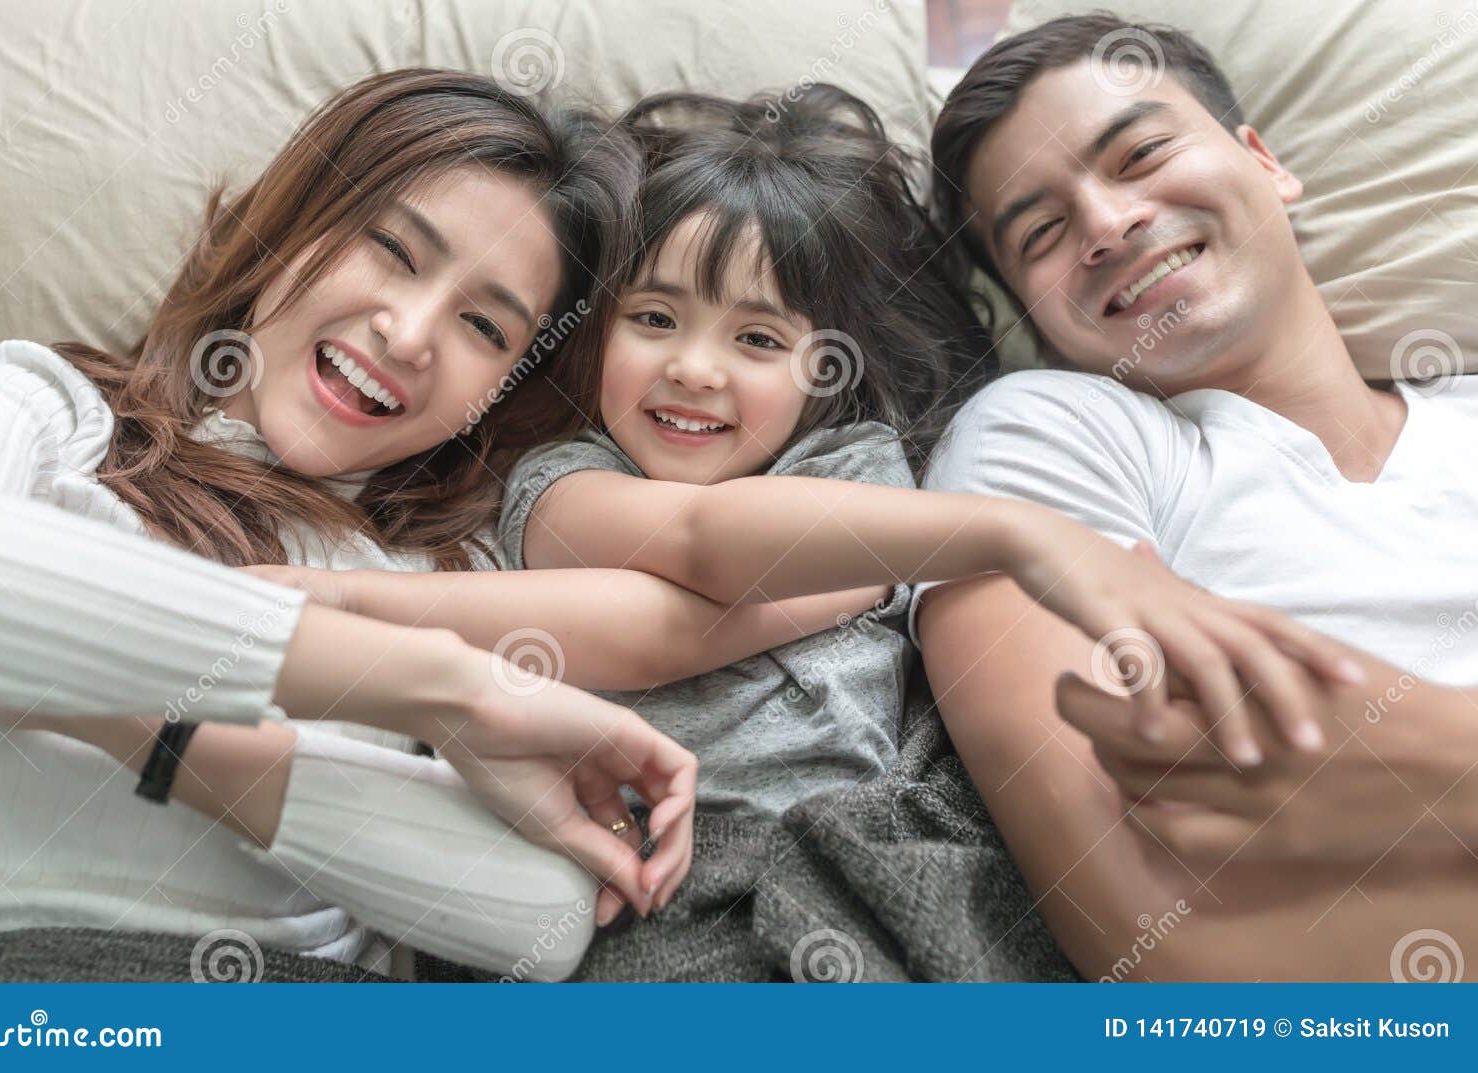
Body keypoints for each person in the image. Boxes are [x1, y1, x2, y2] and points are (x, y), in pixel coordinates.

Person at [263, 86, 1359, 821]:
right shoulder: (560, 478)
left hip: (888, 832)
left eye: (756, 340)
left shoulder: (863, 469)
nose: (693, 370)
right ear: (593, 332)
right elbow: (703, 549)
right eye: (654, 319)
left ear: (828, 369)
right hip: (685, 847)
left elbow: (817, 563)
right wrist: (1008, 537)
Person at [0, 69, 697, 983]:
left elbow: (543, 920)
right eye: (393, 248)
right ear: (290, 222)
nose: (412, 330)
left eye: (484, 325)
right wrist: (429, 684)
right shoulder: (51, 412)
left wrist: (146, 723)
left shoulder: (431, 572)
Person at [917, 13, 1478, 980]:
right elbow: (1168, 954)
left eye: (1140, 153)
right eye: (1042, 231)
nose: (1106, 224)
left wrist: (1434, 761)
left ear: (1265, 163)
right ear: (1038, 322)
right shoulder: (1048, 436)